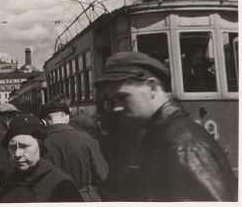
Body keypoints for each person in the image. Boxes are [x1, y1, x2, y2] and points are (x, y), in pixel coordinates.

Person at [94, 51, 238, 201]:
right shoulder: (161, 134)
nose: (117, 108)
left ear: (152, 88)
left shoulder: (183, 146)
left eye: (123, 97)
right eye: (113, 101)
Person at [0, 114, 83, 202]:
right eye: (12, 147)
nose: (17, 154)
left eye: (24, 146)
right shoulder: (10, 182)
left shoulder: (62, 185)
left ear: (40, 146)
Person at [40, 99, 109, 201]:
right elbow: (102, 174)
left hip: (56, 199)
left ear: (44, 122)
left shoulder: (41, 144)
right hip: (86, 197)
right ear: (67, 118)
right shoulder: (86, 139)